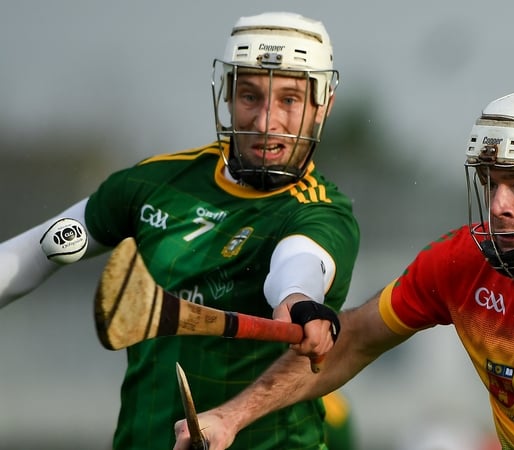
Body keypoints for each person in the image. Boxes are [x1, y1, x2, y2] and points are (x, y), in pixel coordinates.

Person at [174, 83, 514, 449]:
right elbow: (355, 339)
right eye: (492, 183)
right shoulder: (465, 260)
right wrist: (231, 418)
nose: (499, 205)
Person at [0, 11, 359, 450]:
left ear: (324, 106)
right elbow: (34, 254)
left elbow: (300, 261)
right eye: (251, 96)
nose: (267, 122)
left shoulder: (323, 213)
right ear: (227, 94)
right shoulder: (152, 185)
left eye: (289, 100)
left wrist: (299, 301)